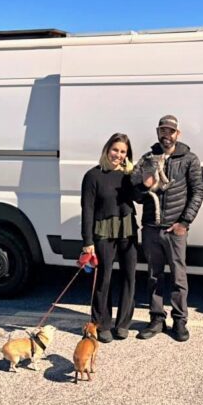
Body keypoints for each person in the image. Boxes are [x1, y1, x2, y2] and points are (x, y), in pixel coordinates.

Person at [133, 115, 203, 342]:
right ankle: (156, 319)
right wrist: (143, 187)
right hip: (152, 227)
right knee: (154, 275)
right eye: (163, 131)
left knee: (178, 276)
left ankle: (180, 321)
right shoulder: (147, 159)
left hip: (175, 229)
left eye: (171, 131)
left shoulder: (189, 159)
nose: (167, 135)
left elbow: (197, 192)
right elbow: (135, 193)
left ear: (177, 134)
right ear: (157, 132)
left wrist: (184, 222)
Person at [80, 133, 138, 343]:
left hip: (128, 228)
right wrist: (87, 241)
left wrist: (136, 179)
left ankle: (123, 324)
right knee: (104, 278)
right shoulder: (93, 176)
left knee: (129, 276)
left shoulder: (128, 175)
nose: (119, 155)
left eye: (123, 152)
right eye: (115, 150)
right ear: (107, 149)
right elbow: (87, 210)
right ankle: (102, 323)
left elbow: (138, 198)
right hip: (103, 231)